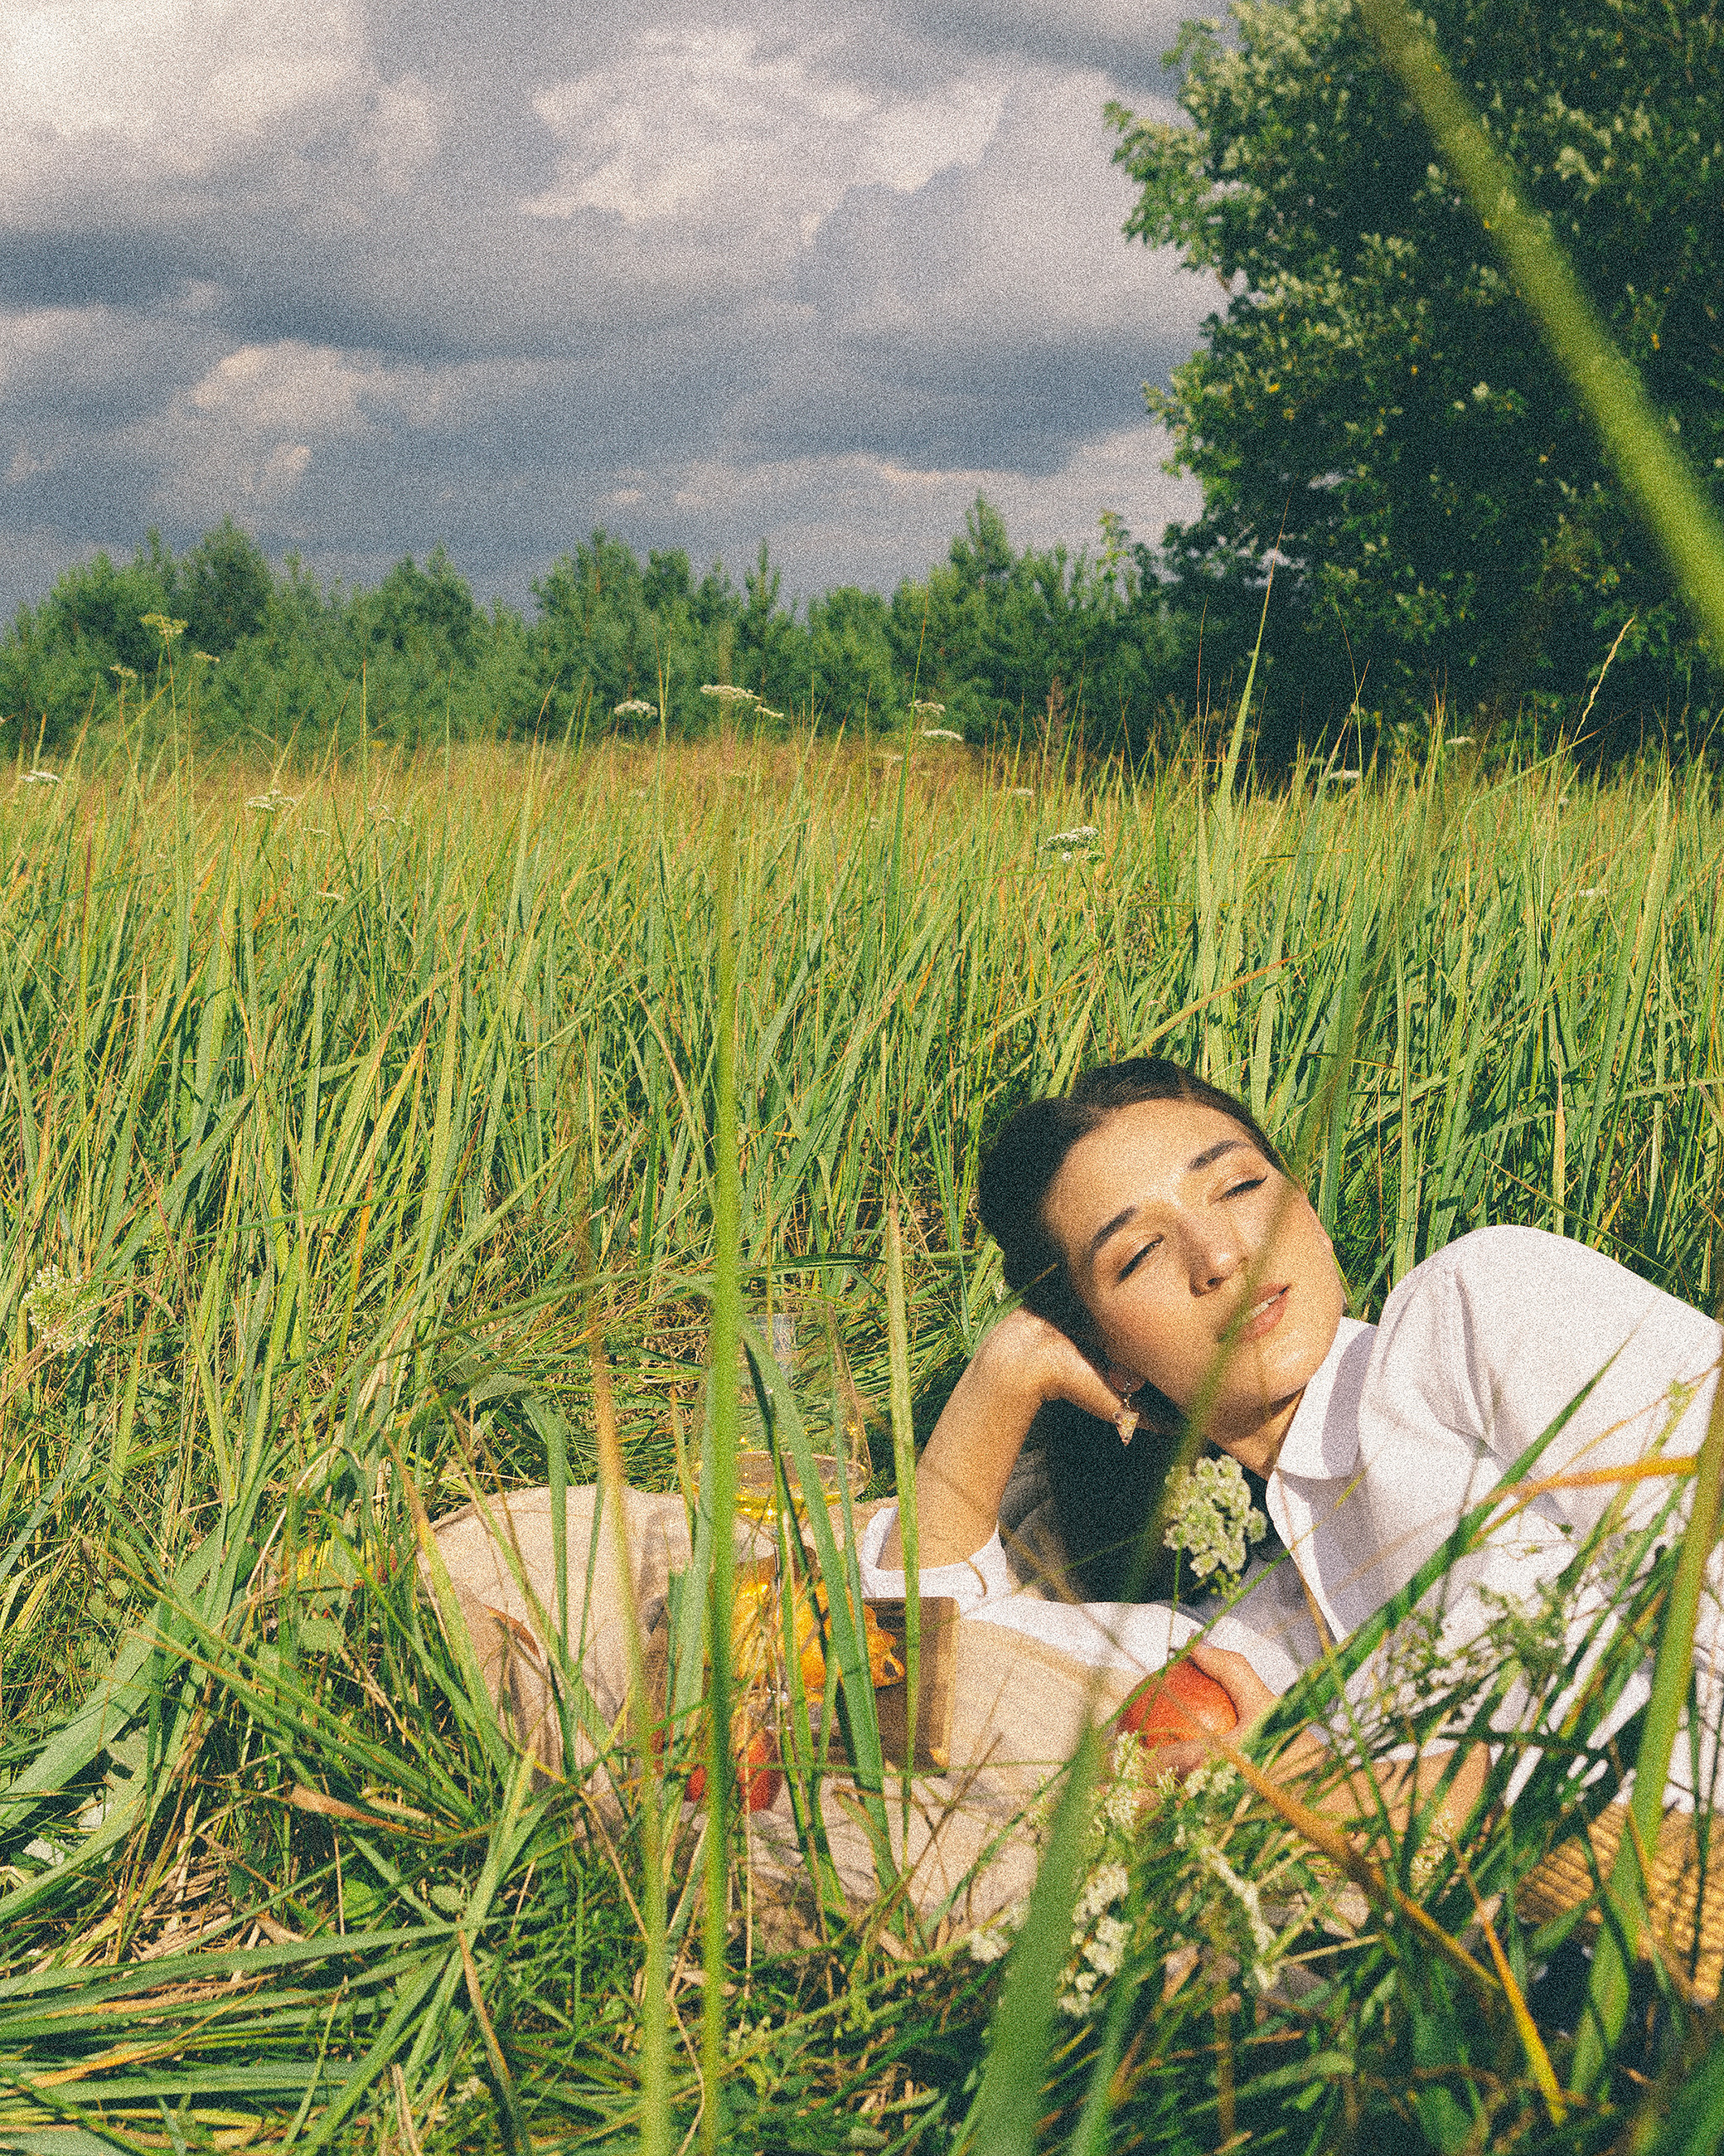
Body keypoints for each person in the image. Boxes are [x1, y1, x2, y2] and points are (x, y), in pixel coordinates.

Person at [860, 1056, 1724, 1810]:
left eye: (1239, 1186)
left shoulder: (1475, 1311)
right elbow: (911, 1671)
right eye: (1137, 1254)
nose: (1222, 1252)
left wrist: (1401, 1792)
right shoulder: (1271, 1622)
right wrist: (1010, 1367)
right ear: (1102, 1347)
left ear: (1303, 1204)